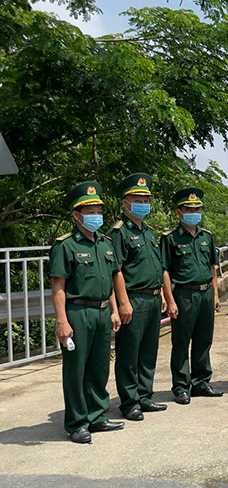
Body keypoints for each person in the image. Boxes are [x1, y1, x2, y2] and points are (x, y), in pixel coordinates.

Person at [50, 181, 128, 443]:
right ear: (76, 215)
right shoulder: (66, 246)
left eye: (98, 210)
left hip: (103, 313)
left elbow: (110, 280)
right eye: (90, 211)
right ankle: (76, 422)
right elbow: (58, 286)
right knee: (76, 369)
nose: (96, 215)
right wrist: (61, 321)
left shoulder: (105, 243)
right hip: (78, 313)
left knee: (98, 367)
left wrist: (115, 310)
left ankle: (96, 416)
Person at [110, 173, 168, 421]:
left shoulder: (150, 232)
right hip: (133, 298)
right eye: (138, 198)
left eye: (146, 198)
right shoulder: (120, 232)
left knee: (148, 350)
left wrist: (164, 294)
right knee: (129, 352)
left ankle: (145, 395)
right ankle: (129, 401)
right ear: (125, 202)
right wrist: (123, 302)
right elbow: (116, 271)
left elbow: (159, 266)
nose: (143, 203)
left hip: (154, 298)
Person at [161, 187, 223, 405]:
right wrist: (170, 300)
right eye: (189, 209)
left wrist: (215, 294)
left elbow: (212, 266)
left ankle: (201, 382)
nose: (194, 212)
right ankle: (180, 386)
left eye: (197, 208)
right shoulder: (170, 238)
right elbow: (165, 271)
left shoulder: (207, 236)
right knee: (181, 341)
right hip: (184, 294)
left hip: (206, 293)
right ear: (179, 212)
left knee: (204, 340)